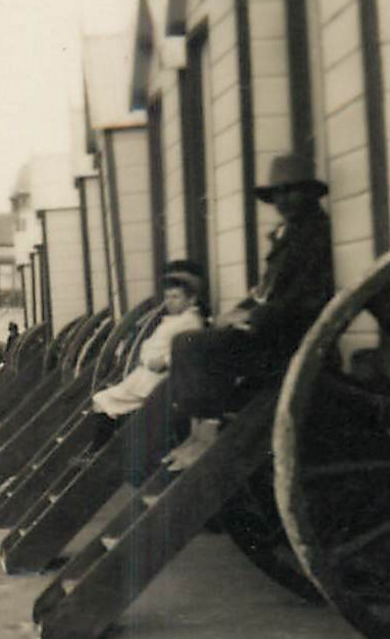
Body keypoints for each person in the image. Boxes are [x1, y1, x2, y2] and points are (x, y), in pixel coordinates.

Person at [164, 154, 334, 471]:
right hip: (270, 328)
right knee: (187, 341)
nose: (282, 200)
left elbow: (305, 298)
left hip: (291, 338)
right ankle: (201, 428)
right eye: (277, 194)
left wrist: (253, 318)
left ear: (309, 193)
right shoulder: (287, 237)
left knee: (194, 344)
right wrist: (236, 312)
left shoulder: (317, 237)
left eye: (290, 191)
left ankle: (211, 426)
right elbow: (263, 292)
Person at [92, 263, 206, 420]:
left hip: (159, 381)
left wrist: (165, 361)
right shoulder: (173, 320)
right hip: (144, 378)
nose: (169, 302)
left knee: (103, 401)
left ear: (192, 300)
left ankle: (104, 439)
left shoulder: (191, 321)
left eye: (175, 297)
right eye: (167, 297)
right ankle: (107, 436)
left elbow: (192, 349)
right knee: (104, 402)